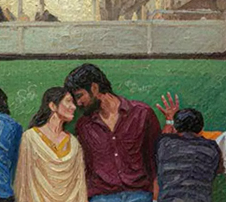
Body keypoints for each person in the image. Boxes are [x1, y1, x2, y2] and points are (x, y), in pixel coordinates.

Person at [64, 64, 161, 202]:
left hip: (140, 194)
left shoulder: (142, 113)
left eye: (80, 96)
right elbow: (85, 166)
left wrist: (156, 196)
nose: (78, 103)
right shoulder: (84, 126)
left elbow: (156, 157)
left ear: (94, 88)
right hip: (102, 196)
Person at [14, 87, 87, 202]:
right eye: (68, 101)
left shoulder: (73, 143)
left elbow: (80, 187)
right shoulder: (31, 138)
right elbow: (23, 184)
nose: (74, 107)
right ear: (52, 106)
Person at [155, 101, 221, 202]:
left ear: (175, 129)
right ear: (201, 129)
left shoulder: (165, 144)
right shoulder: (211, 148)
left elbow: (164, 137)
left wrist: (169, 120)